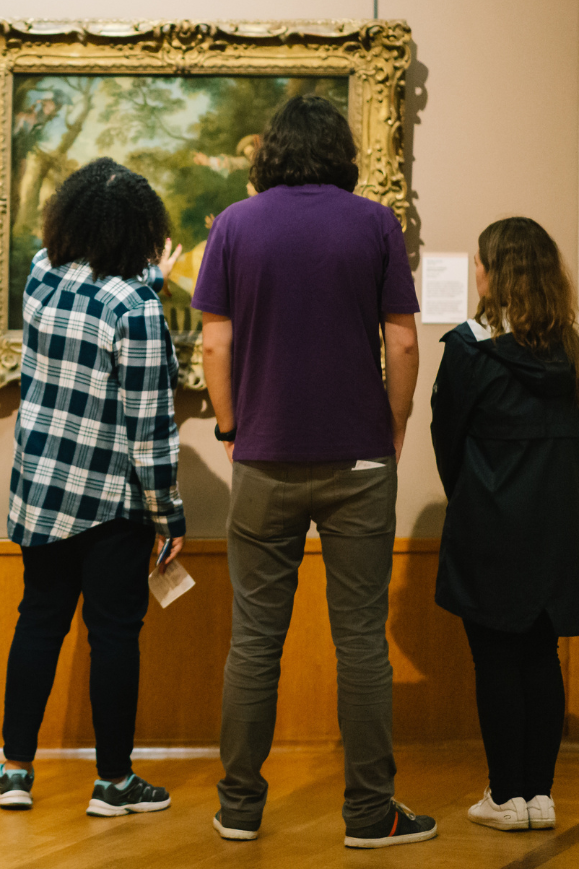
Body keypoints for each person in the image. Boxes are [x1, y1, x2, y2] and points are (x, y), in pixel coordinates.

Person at [191, 94, 437, 848]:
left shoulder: (234, 225)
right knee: (361, 638)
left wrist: (232, 429)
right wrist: (393, 426)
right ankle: (369, 815)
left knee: (255, 639)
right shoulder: (373, 222)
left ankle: (238, 807)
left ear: (268, 153)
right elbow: (400, 344)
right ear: (341, 150)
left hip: (263, 457)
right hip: (360, 455)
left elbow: (213, 348)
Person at [0, 157, 185, 817]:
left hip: (41, 487)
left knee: (39, 621)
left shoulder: (41, 278)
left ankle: (14, 771)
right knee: (114, 637)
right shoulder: (138, 309)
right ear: (142, 230)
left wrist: (150, 280)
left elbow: (92, 297)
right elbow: (151, 426)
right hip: (108, 502)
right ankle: (113, 783)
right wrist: (169, 517)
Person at [431, 217, 579, 833]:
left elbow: (447, 442)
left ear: (495, 274)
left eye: (480, 263)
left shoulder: (469, 349)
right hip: (560, 526)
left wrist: (475, 497)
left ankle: (506, 797)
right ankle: (541, 795)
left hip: (489, 525)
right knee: (542, 657)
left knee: (495, 662)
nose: (475, 272)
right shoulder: (573, 348)